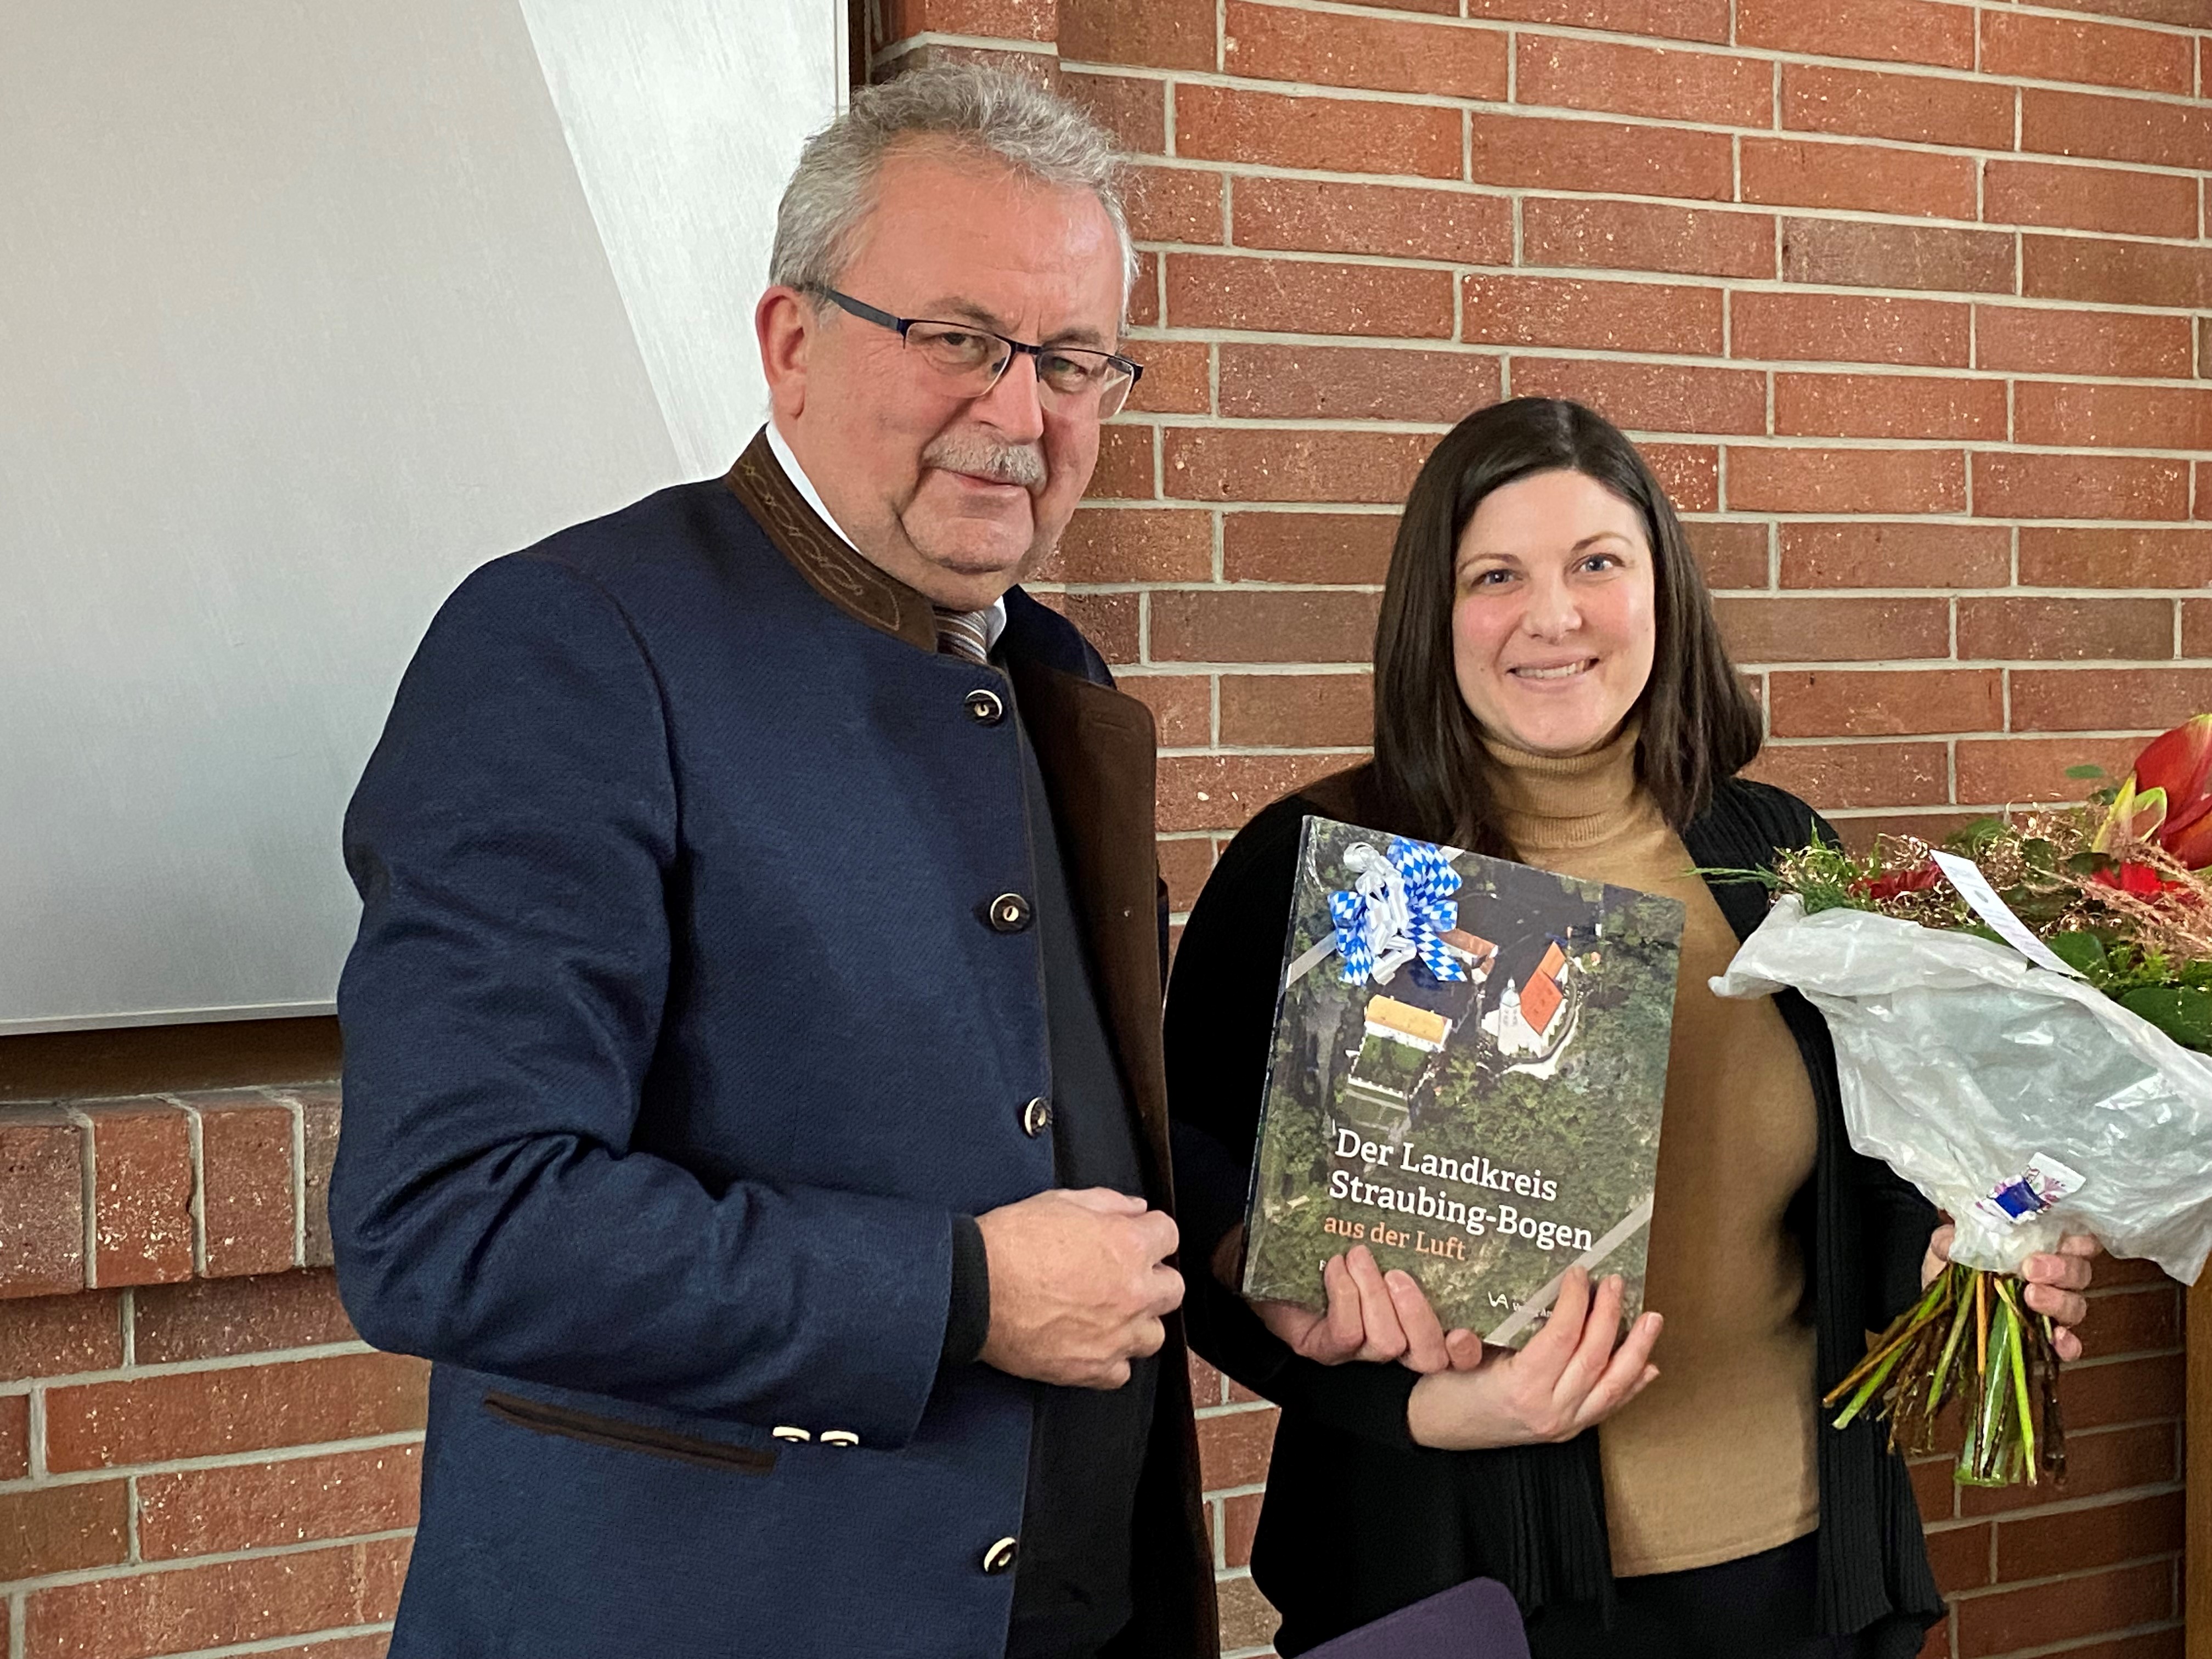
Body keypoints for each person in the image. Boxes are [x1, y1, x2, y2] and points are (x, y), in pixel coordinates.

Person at [331, 64, 1215, 1659]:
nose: (1020, 413)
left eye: (1075, 360)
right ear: (790, 342)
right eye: (960, 339)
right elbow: (451, 1219)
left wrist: (1260, 1265)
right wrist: (958, 1291)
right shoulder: (570, 645)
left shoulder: (1055, 669)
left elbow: (1072, 1119)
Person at [1164, 398, 2098, 1658]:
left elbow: (1863, 1192)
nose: (1555, 616)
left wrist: (1953, 1258)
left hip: (1804, 1567)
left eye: (1599, 563)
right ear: (1432, 617)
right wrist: (1441, 1408)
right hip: (1470, 1585)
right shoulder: (1337, 874)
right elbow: (1193, 1206)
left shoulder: (1772, 850)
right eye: (1496, 576)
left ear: (1663, 591)